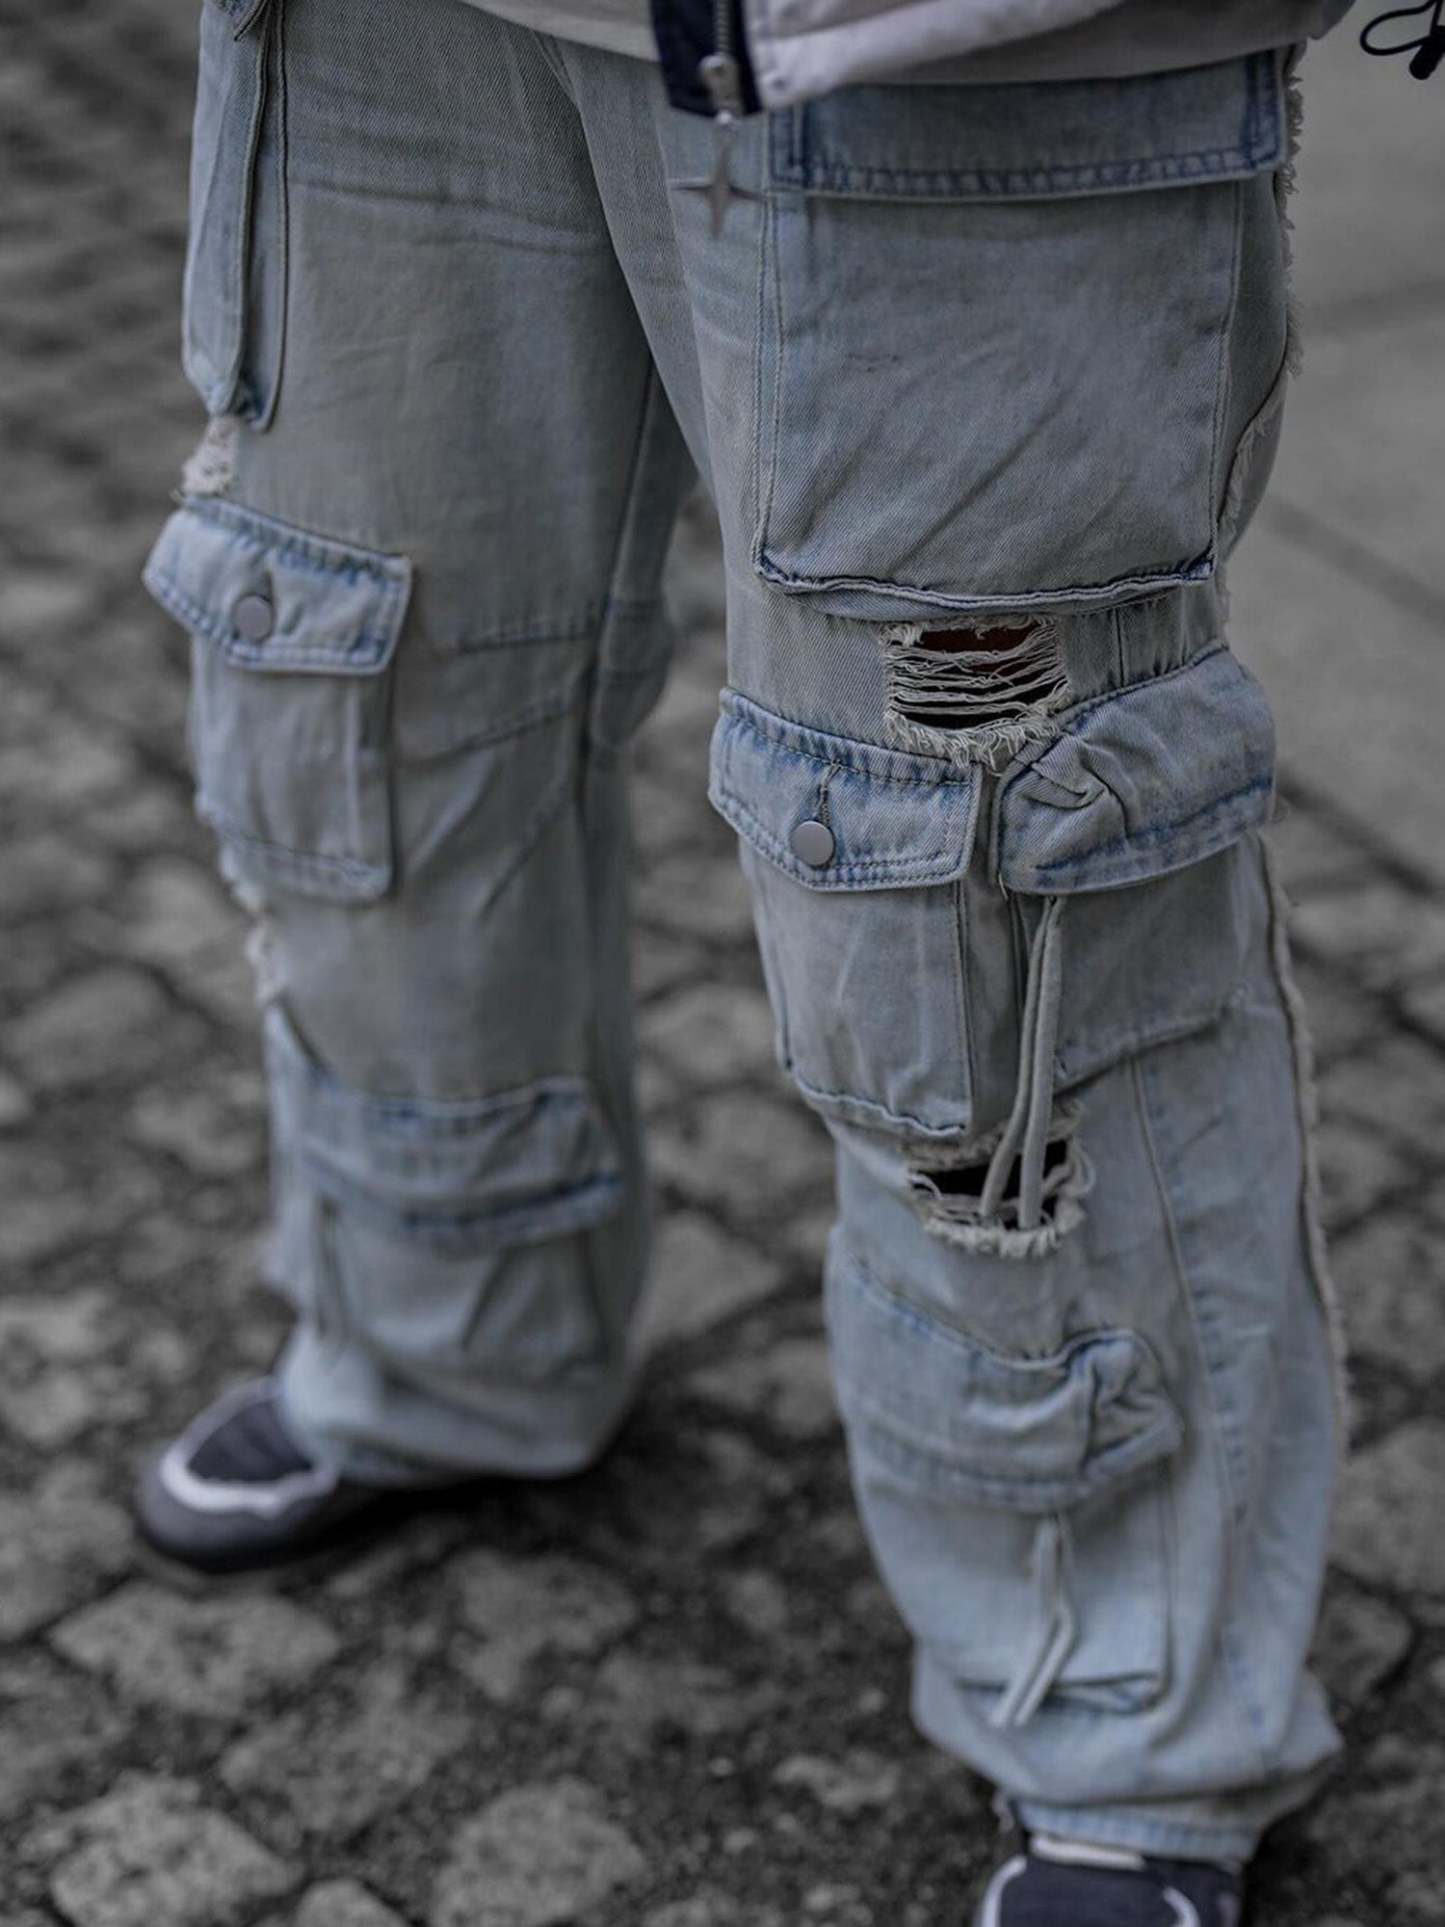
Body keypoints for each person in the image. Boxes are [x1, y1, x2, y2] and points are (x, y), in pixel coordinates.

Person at [136, 2, 1359, 1920]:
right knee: (355, 681)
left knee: (972, 851)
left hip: (921, 45)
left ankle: (1118, 1706)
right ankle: (443, 1345)